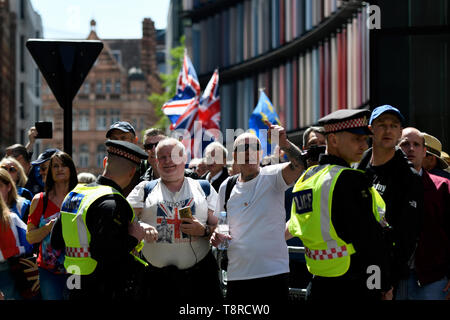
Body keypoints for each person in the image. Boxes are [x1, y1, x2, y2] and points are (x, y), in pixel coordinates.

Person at [286, 109, 393, 301]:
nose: (363, 145)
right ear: (333, 140)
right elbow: (370, 241)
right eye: (356, 139)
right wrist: (381, 285)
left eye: (365, 140)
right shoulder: (349, 179)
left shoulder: (306, 178)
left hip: (318, 282)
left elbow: (296, 226)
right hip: (354, 284)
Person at [210, 122, 305, 305]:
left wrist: (284, 143)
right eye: (243, 148)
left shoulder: (274, 175)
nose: (249, 152)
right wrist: (217, 235)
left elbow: (301, 164)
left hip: (273, 275)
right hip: (237, 277)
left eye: (255, 147)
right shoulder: (226, 186)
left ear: (261, 153)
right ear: (235, 156)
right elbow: (220, 224)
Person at [51, 140, 149, 300]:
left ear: (105, 162)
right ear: (132, 172)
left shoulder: (75, 194)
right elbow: (106, 254)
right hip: (101, 287)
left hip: (73, 282)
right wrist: (134, 238)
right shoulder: (114, 203)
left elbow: (56, 241)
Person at [131, 138, 223, 303]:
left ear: (184, 158)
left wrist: (204, 231)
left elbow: (221, 225)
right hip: (155, 281)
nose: (168, 161)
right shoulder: (144, 189)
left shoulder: (204, 188)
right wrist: (141, 226)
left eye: (173, 155)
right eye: (162, 157)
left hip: (199, 279)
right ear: (156, 161)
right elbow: (125, 222)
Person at [356, 105, 423, 298]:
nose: (388, 130)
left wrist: (387, 282)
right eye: (382, 124)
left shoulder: (409, 177)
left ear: (400, 132)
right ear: (371, 129)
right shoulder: (357, 170)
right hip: (349, 267)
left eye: (394, 126)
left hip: (382, 273)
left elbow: (407, 236)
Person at [397, 127, 450, 300]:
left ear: (425, 151)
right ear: (395, 148)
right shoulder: (381, 185)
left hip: (433, 278)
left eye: (416, 145)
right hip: (393, 278)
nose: (411, 149)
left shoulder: (443, 187)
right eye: (405, 144)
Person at [26, 151, 78, 300]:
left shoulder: (81, 197)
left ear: (71, 169)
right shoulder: (40, 200)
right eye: (55, 166)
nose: (59, 169)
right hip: (48, 271)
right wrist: (49, 227)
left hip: (76, 268)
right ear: (50, 172)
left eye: (64, 165)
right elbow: (30, 237)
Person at [0, 194, 33, 300]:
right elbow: (29, 242)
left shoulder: (11, 218)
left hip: (8, 269)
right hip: (10, 266)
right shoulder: (11, 218)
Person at [105, 121, 141, 196]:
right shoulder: (108, 163)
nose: (119, 142)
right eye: (114, 139)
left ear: (135, 141)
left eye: (123, 138)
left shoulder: (145, 166)